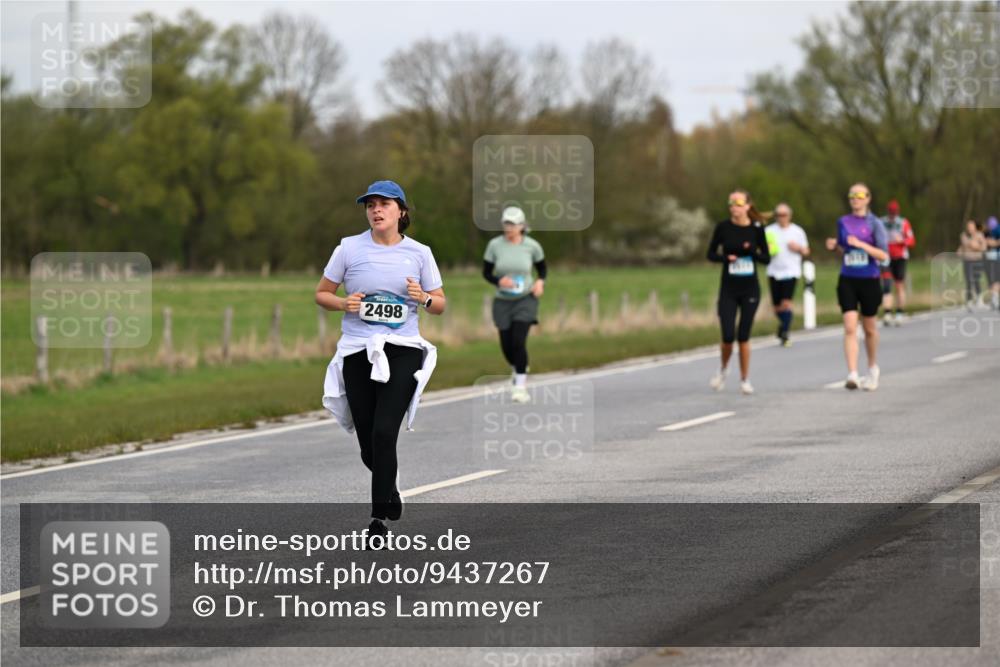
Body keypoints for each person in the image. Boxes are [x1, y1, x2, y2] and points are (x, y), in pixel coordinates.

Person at [316, 180, 446, 546]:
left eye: (384, 204)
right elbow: (321, 293)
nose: (376, 210)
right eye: (370, 205)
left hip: (403, 348)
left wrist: (423, 298)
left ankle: (377, 519)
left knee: (385, 431)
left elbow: (440, 304)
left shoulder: (420, 253)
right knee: (368, 443)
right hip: (358, 349)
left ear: (401, 211)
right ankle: (391, 486)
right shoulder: (348, 249)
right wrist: (344, 304)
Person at [825, 183, 889, 391]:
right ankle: (852, 373)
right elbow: (845, 250)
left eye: (860, 195)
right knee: (850, 326)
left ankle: (872, 368)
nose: (855, 199)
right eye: (852, 195)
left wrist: (862, 245)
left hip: (869, 279)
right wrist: (835, 246)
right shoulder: (842, 221)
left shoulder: (875, 224)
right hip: (848, 278)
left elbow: (883, 255)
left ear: (868, 198)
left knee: (869, 329)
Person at [706, 189, 771, 395]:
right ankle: (723, 369)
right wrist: (726, 259)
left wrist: (752, 252)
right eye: (731, 202)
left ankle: (745, 379)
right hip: (728, 289)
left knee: (743, 335)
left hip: (750, 288)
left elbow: (766, 259)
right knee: (727, 335)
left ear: (748, 206)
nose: (734, 206)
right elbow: (710, 254)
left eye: (739, 202)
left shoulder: (757, 229)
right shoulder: (723, 228)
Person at [482, 206, 546, 403]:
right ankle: (518, 366)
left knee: (519, 341)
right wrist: (498, 281)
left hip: (526, 299)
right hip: (503, 301)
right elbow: (486, 272)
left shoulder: (532, 246)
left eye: (512, 224)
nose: (508, 228)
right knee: (507, 346)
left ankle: (520, 387)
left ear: (521, 226)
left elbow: (542, 269)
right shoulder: (494, 245)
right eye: (505, 224)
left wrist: (540, 282)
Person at [764, 202, 809, 346]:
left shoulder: (797, 231)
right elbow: (762, 249)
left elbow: (807, 251)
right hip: (773, 270)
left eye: (783, 215)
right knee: (777, 307)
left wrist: (798, 248)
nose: (781, 218)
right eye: (778, 215)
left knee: (786, 303)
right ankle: (783, 324)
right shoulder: (769, 231)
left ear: (789, 216)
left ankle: (785, 332)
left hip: (791, 271)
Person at [879, 200, 916, 326]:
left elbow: (912, 240)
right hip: (886, 256)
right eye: (890, 213)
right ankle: (887, 313)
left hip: (900, 257)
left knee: (899, 285)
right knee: (886, 284)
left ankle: (900, 312)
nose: (892, 216)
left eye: (894, 213)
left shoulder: (903, 223)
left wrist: (902, 241)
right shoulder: (881, 222)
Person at [957, 219, 988, 310]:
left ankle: (979, 299)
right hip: (967, 260)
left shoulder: (979, 235)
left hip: (977, 260)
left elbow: (984, 248)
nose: (969, 228)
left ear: (975, 227)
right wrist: (959, 251)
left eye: (971, 226)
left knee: (976, 279)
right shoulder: (963, 236)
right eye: (968, 226)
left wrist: (976, 247)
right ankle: (969, 301)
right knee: (969, 281)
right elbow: (963, 246)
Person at [986, 216, 1000, 311]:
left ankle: (995, 300)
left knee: (995, 280)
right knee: (993, 280)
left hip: (997, 258)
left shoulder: (997, 230)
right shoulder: (990, 231)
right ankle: (994, 299)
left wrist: (992, 243)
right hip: (991, 258)